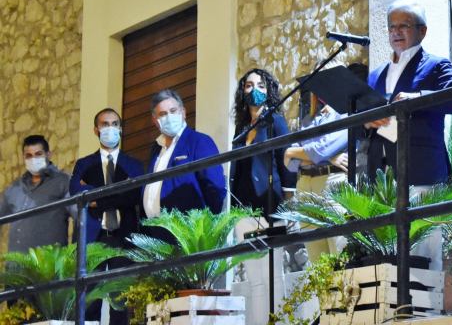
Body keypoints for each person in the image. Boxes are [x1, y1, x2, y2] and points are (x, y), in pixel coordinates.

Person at [366, 0, 452, 185]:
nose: (396, 32)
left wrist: (416, 99)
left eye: (404, 26)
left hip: (420, 171)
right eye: (392, 27)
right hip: (379, 176)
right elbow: (358, 125)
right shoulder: (375, 75)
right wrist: (367, 121)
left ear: (422, 31)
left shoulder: (435, 65)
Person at [284, 63, 370, 262]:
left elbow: (318, 150)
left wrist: (298, 152)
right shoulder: (310, 119)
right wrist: (324, 156)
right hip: (305, 186)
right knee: (317, 262)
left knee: (340, 254)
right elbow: (290, 162)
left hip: (331, 183)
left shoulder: (347, 112)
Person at [70, 108, 143, 325]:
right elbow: (76, 192)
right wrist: (118, 192)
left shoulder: (134, 164)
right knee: (89, 300)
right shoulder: (84, 164)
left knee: (121, 300)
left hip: (123, 236)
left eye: (114, 124)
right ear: (96, 130)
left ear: (120, 129)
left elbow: (133, 195)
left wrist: (97, 198)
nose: (109, 128)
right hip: (94, 237)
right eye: (104, 124)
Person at [143, 89, 226, 218]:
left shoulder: (199, 141)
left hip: (189, 227)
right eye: (163, 114)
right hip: (154, 228)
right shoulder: (156, 148)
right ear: (155, 120)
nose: (169, 117)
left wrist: (205, 222)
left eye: (173, 111)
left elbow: (215, 186)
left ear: (183, 113)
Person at [230, 68, 297, 216]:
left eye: (261, 86)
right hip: (243, 204)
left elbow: (289, 159)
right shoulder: (241, 128)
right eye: (249, 86)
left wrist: (290, 198)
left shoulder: (275, 121)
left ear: (268, 92)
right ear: (243, 92)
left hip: (270, 200)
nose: (255, 90)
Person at [0, 135, 72, 252]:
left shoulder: (64, 182)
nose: (33, 159)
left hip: (48, 261)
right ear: (23, 158)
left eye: (38, 154)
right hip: (16, 261)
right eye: (28, 156)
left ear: (48, 155)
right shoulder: (15, 188)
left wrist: (76, 254)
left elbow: (80, 216)